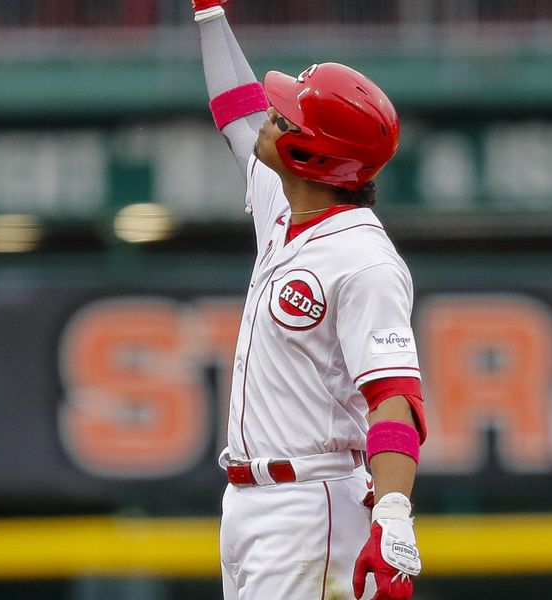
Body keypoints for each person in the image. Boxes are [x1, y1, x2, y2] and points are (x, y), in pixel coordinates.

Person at [192, 2, 427, 598]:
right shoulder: (287, 202)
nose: (271, 117)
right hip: (251, 503)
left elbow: (394, 395)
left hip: (311, 503)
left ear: (311, 157)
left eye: (286, 117)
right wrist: (210, 12)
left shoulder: (364, 261)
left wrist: (393, 514)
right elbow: (236, 111)